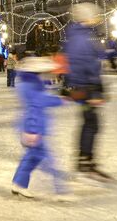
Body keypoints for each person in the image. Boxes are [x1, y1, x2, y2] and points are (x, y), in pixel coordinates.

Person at [64, 2, 115, 183]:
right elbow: (81, 65)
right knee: (91, 124)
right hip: (85, 88)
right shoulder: (81, 39)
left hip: (84, 87)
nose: (98, 18)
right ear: (87, 17)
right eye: (95, 15)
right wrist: (92, 91)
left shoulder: (82, 35)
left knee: (90, 124)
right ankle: (85, 164)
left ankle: (85, 161)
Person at [11, 57, 72, 201]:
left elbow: (41, 89)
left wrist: (51, 83)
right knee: (50, 161)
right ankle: (62, 192)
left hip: (30, 126)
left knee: (32, 158)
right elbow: (42, 101)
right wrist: (63, 100)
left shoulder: (28, 83)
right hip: (34, 128)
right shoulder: (32, 87)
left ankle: (18, 183)